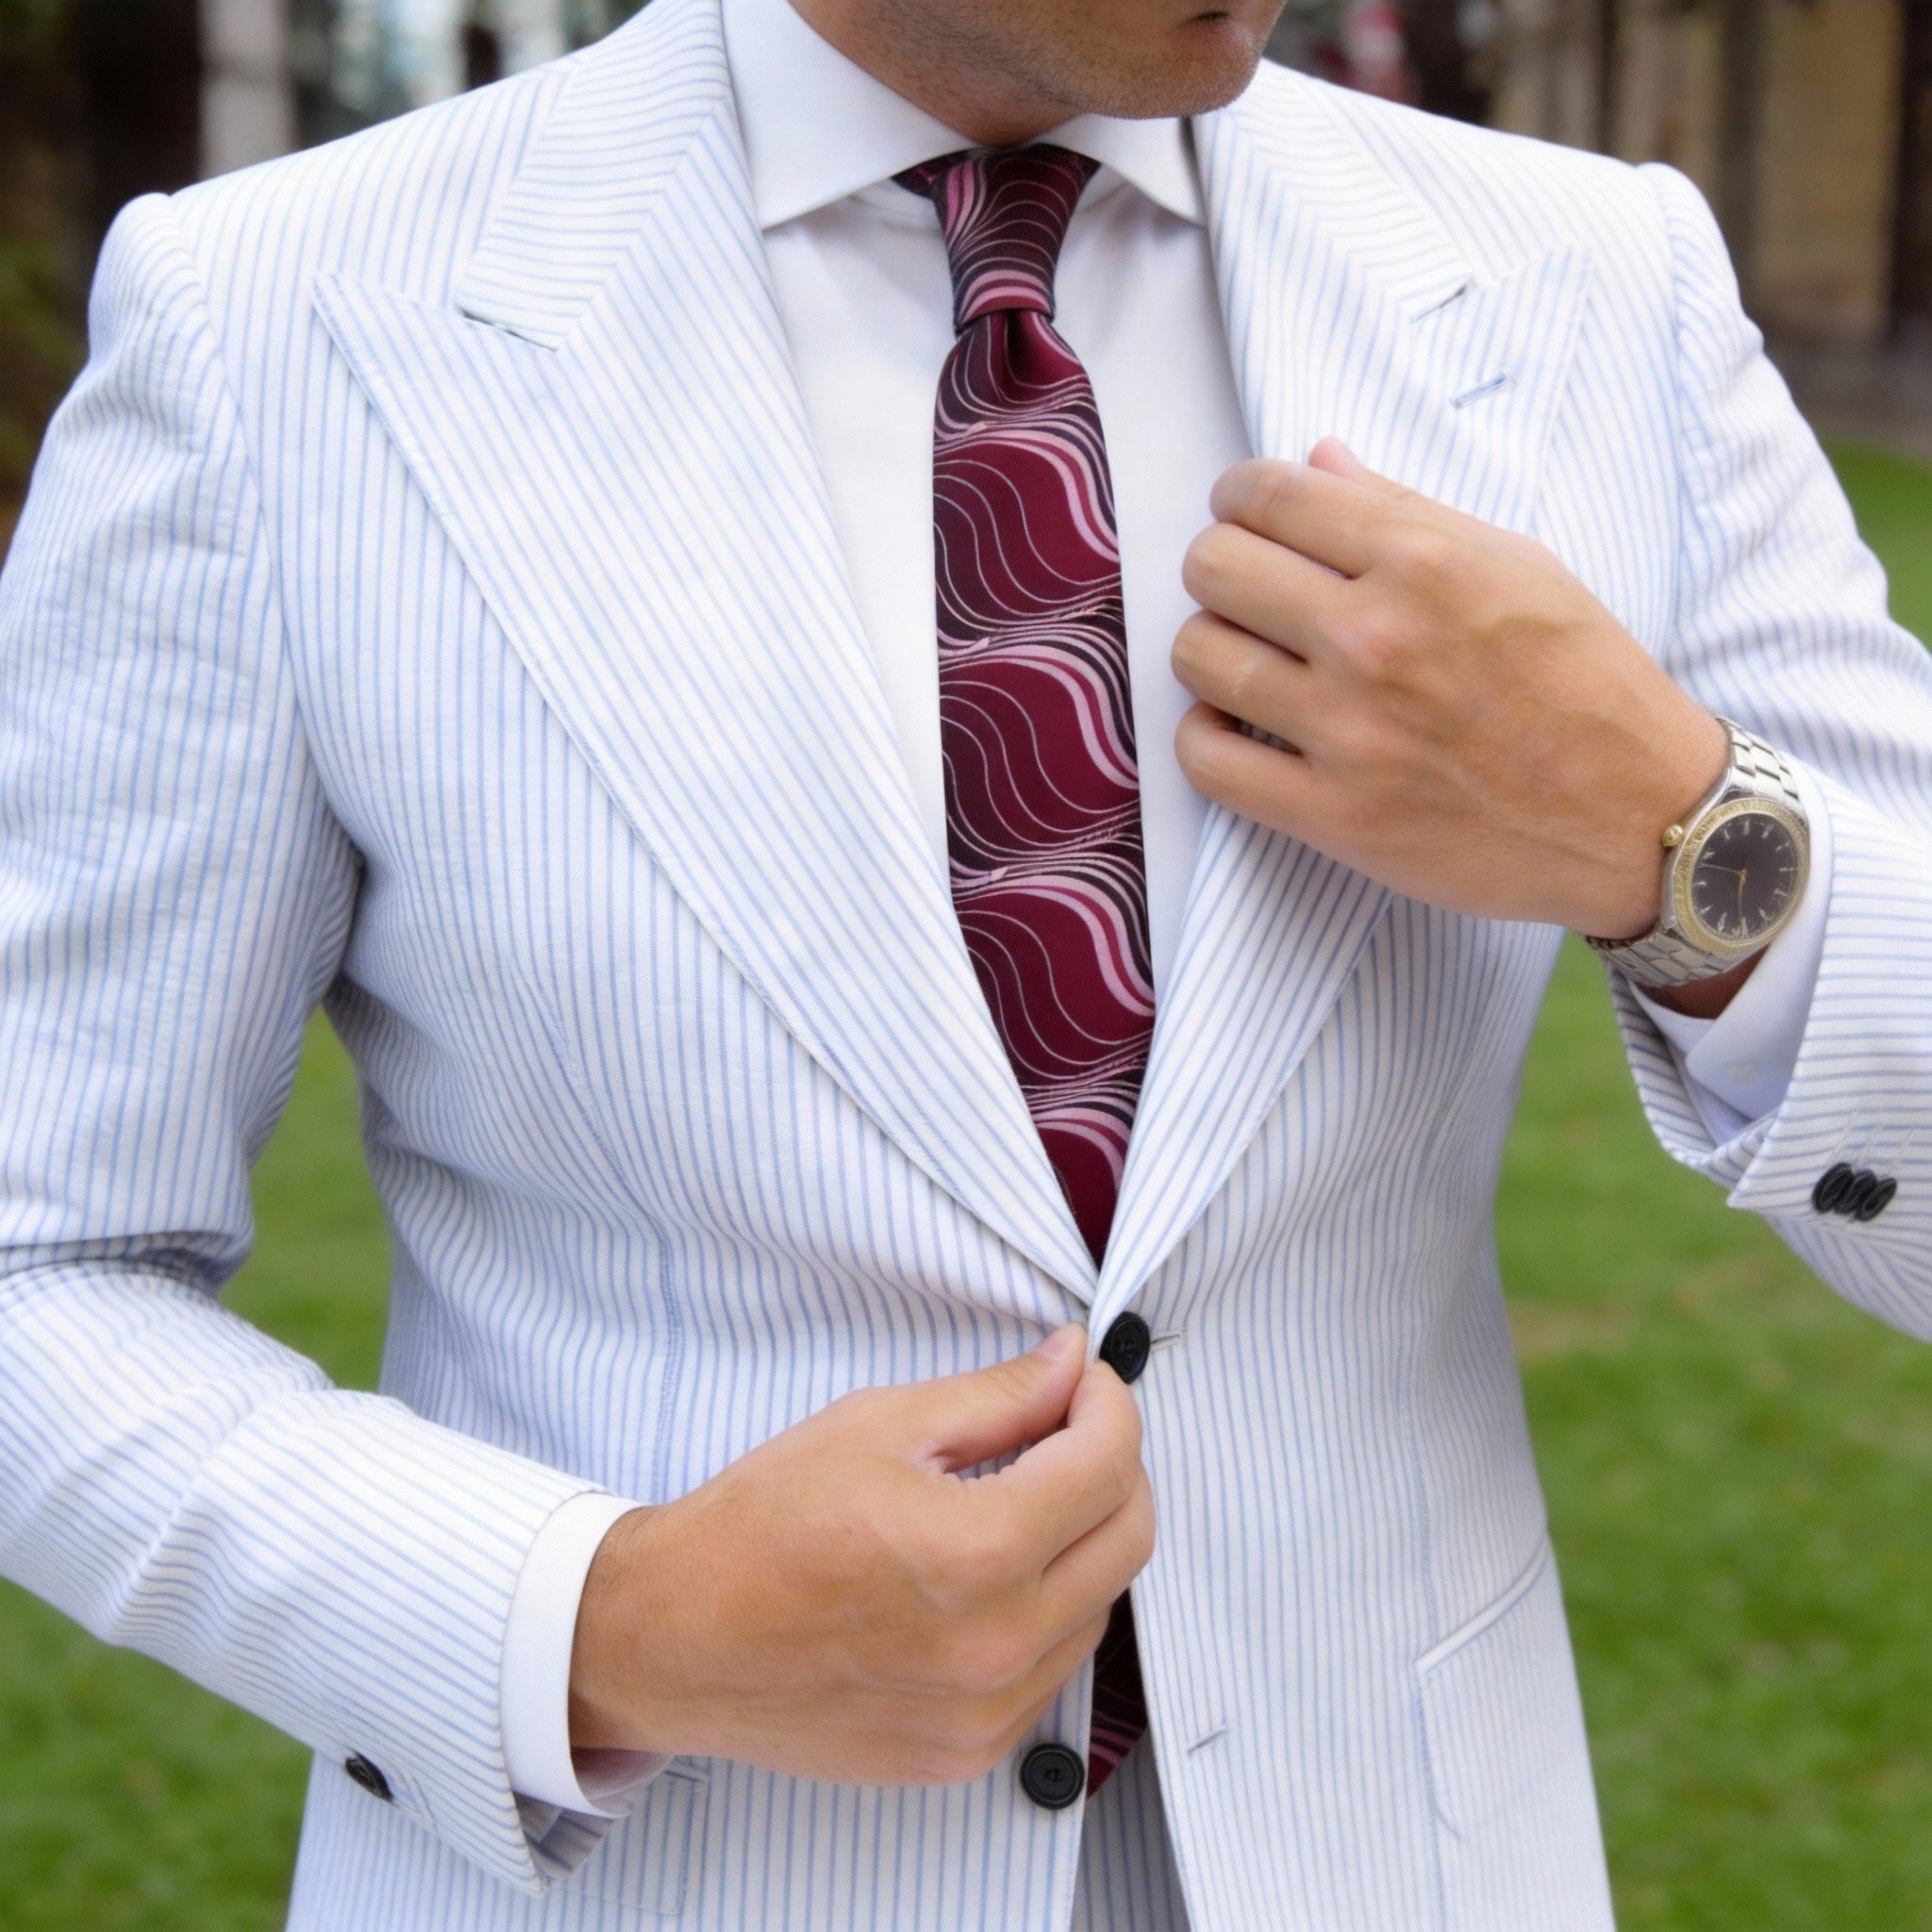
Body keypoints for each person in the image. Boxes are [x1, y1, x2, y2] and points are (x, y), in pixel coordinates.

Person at [2, 0, 1929, 1925]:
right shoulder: (272, 322)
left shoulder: (1600, 286)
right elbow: (40, 1260)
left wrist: (1685, 845)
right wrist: (599, 1620)